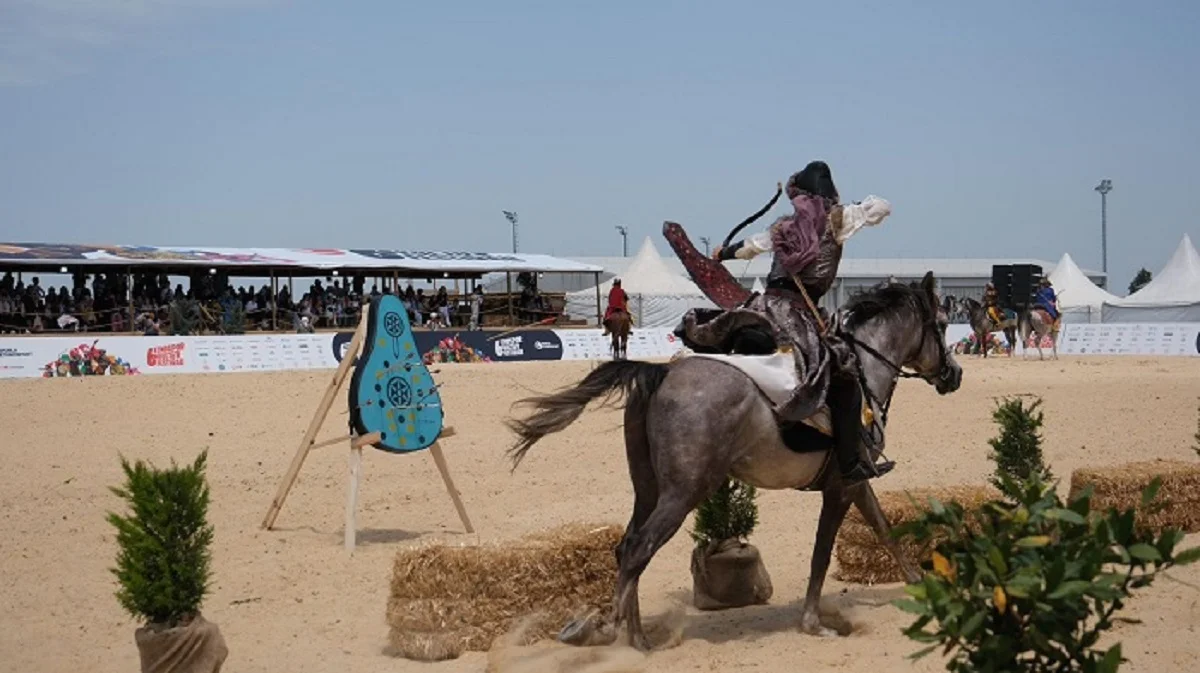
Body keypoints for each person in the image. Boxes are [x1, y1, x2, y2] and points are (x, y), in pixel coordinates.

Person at [709, 161, 892, 485]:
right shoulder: (838, 218)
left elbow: (749, 247)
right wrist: (852, 207)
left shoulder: (784, 227)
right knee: (844, 378)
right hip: (799, 315)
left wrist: (723, 253)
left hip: (764, 306)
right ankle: (849, 463)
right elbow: (881, 208)